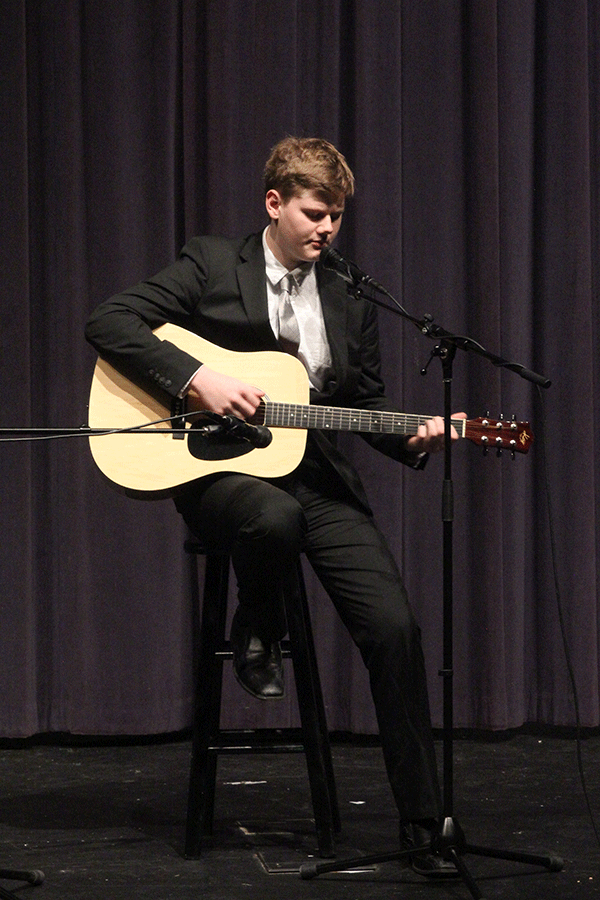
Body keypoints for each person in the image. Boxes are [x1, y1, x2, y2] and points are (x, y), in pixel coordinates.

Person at [85, 136, 464, 877]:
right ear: (275, 204)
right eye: (314, 214)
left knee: (395, 628)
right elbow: (110, 322)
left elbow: (365, 404)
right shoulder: (211, 263)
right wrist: (198, 379)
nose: (326, 229)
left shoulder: (351, 293)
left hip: (317, 476)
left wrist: (415, 438)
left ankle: (424, 824)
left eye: (336, 217)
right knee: (271, 519)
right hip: (222, 476)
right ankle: (258, 620)